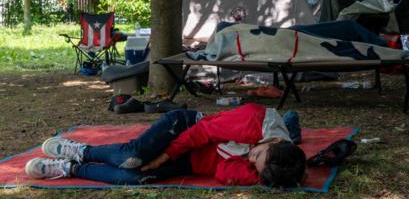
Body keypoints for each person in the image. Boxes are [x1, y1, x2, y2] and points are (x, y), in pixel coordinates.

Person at [25, 103, 305, 188]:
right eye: (256, 153)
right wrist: (164, 157)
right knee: (134, 157)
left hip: (191, 161)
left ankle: (71, 168)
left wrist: (254, 172)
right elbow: (202, 132)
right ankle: (81, 150)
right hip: (186, 129)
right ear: (275, 140)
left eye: (254, 165)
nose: (250, 157)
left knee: (132, 177)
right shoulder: (253, 121)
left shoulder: (270, 165)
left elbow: (224, 173)